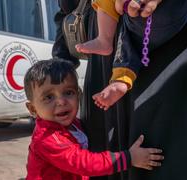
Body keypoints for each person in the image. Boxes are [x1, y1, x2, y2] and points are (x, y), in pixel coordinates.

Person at [53, 0, 187, 180]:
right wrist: (59, 70)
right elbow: (67, 9)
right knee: (107, 160)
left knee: (168, 158)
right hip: (104, 52)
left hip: (176, 44)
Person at [24, 59, 164, 180]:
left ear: (79, 95)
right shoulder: (47, 138)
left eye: (68, 92)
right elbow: (83, 163)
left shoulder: (74, 124)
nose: (61, 101)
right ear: (33, 109)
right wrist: (128, 158)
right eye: (49, 97)